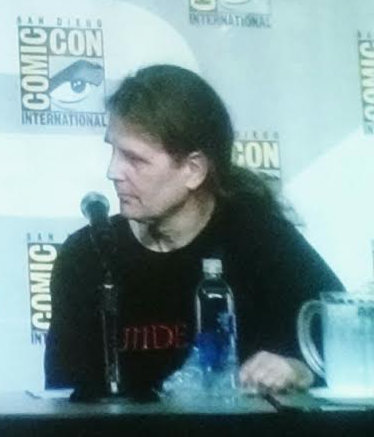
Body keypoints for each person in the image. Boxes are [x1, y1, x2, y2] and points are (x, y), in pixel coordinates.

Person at [44, 64, 344, 396]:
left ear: (193, 170)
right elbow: (62, 393)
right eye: (113, 151)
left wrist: (299, 369)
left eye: (134, 159)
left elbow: (345, 340)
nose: (112, 171)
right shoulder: (87, 255)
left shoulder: (259, 240)